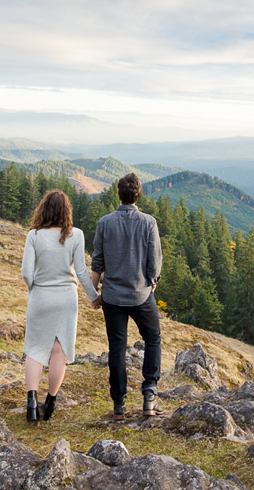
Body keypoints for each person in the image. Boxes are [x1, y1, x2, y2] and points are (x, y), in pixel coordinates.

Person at [21, 189, 99, 423]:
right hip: (66, 299)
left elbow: (26, 272)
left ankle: (32, 404)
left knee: (35, 350)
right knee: (59, 351)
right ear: (67, 212)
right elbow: (83, 272)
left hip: (41, 297)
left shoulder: (34, 235)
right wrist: (94, 297)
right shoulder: (76, 235)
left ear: (43, 209)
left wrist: (34, 287)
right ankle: (51, 403)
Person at [90, 172, 163, 420]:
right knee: (153, 338)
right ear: (137, 194)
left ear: (118, 194)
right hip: (141, 294)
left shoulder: (104, 223)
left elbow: (97, 263)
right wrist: (152, 283)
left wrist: (95, 294)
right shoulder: (149, 222)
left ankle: (119, 405)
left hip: (112, 297)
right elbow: (154, 263)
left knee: (117, 349)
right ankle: (149, 395)